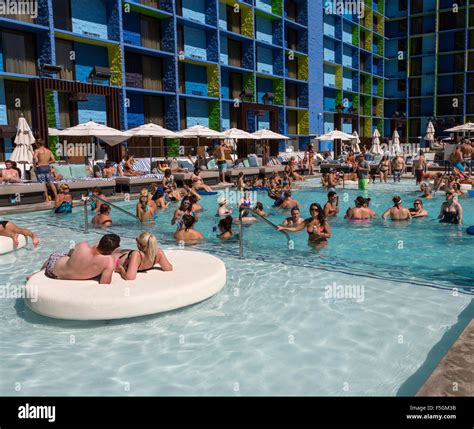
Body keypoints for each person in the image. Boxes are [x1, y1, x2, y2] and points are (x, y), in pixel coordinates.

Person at [36, 234, 121, 284]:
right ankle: (40, 272)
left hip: (53, 270)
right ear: (113, 249)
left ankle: (38, 273)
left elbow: (70, 254)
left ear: (100, 241)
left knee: (58, 255)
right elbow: (104, 283)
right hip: (65, 277)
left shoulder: (83, 245)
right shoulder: (109, 262)